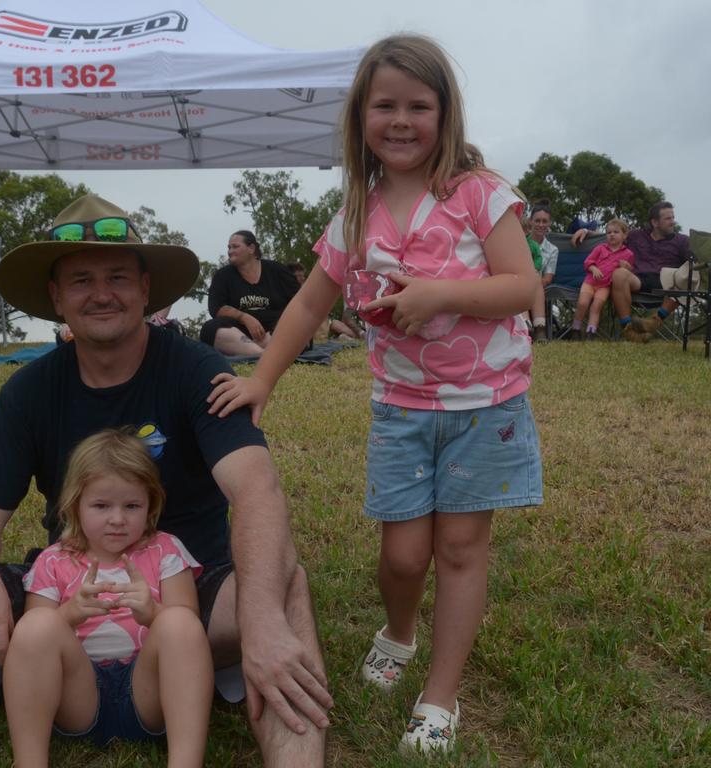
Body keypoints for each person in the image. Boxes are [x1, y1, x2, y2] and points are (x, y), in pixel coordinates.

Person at [0, 194, 331, 768]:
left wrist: (258, 619)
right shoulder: (27, 392)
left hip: (190, 598)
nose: (101, 293)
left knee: (285, 586)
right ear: (56, 297)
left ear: (145, 288)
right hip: (62, 606)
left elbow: (257, 492)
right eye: (80, 279)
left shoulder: (197, 369)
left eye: (116, 276)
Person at [207, 35, 543, 756]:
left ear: (444, 114)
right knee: (400, 557)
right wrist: (263, 377)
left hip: (487, 408)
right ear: (360, 116)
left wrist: (438, 295)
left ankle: (439, 694)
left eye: (418, 105)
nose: (400, 120)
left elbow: (524, 287)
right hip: (401, 409)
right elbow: (303, 306)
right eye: (384, 105)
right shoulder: (355, 214)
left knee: (459, 549)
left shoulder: (480, 193)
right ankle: (398, 629)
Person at [4, 428, 212, 767]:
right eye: (101, 505)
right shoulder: (54, 560)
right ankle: (29, 761)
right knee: (37, 625)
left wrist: (153, 613)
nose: (117, 519)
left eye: (132, 505)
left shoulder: (166, 550)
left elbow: (189, 628)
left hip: (149, 693)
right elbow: (32, 641)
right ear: (75, 505)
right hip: (78, 695)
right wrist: (70, 613)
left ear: (150, 504)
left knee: (179, 621)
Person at [571, 202, 694, 342]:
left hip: (666, 282)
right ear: (654, 222)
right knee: (619, 274)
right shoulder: (636, 235)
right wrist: (586, 231)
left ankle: (655, 320)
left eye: (673, 217)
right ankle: (628, 329)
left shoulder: (682, 241)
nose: (672, 222)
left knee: (687, 276)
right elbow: (613, 237)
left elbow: (694, 262)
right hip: (638, 279)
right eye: (668, 219)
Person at [199, 231, 300, 357]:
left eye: (235, 246)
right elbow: (217, 308)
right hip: (239, 333)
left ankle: (269, 349)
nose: (230, 251)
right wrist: (245, 318)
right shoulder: (222, 276)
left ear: (251, 248)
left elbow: (300, 301)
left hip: (276, 329)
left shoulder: (277, 270)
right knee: (209, 329)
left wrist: (282, 324)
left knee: (298, 327)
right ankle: (261, 354)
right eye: (229, 248)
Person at [570, 219, 634, 340]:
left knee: (596, 306)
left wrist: (626, 268)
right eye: (609, 232)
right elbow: (587, 262)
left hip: (605, 286)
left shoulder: (628, 254)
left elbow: (628, 273)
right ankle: (575, 329)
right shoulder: (600, 248)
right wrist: (593, 268)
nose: (612, 234)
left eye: (616, 232)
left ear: (624, 235)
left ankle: (591, 333)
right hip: (590, 282)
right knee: (582, 303)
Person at [525, 204, 559, 341]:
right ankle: (528, 327)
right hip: (518, 282)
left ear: (549, 223)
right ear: (530, 221)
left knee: (536, 281)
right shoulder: (520, 242)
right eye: (537, 220)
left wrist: (534, 281)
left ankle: (539, 330)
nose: (540, 224)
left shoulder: (552, 250)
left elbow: (548, 278)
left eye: (544, 221)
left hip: (538, 284)